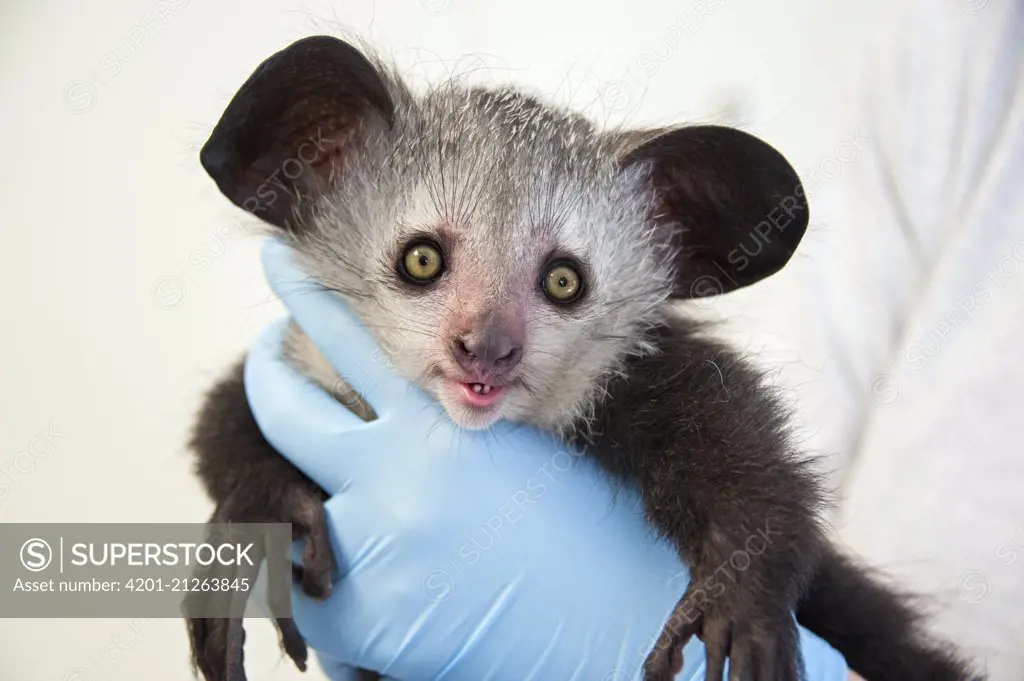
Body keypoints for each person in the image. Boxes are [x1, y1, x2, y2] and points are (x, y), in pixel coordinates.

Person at [244, 240, 859, 680]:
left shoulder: (669, 396)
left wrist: (749, 619)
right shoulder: (315, 363)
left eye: (561, 282)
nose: (487, 343)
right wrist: (218, 548)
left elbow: (743, 466)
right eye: (424, 261)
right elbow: (159, 551)